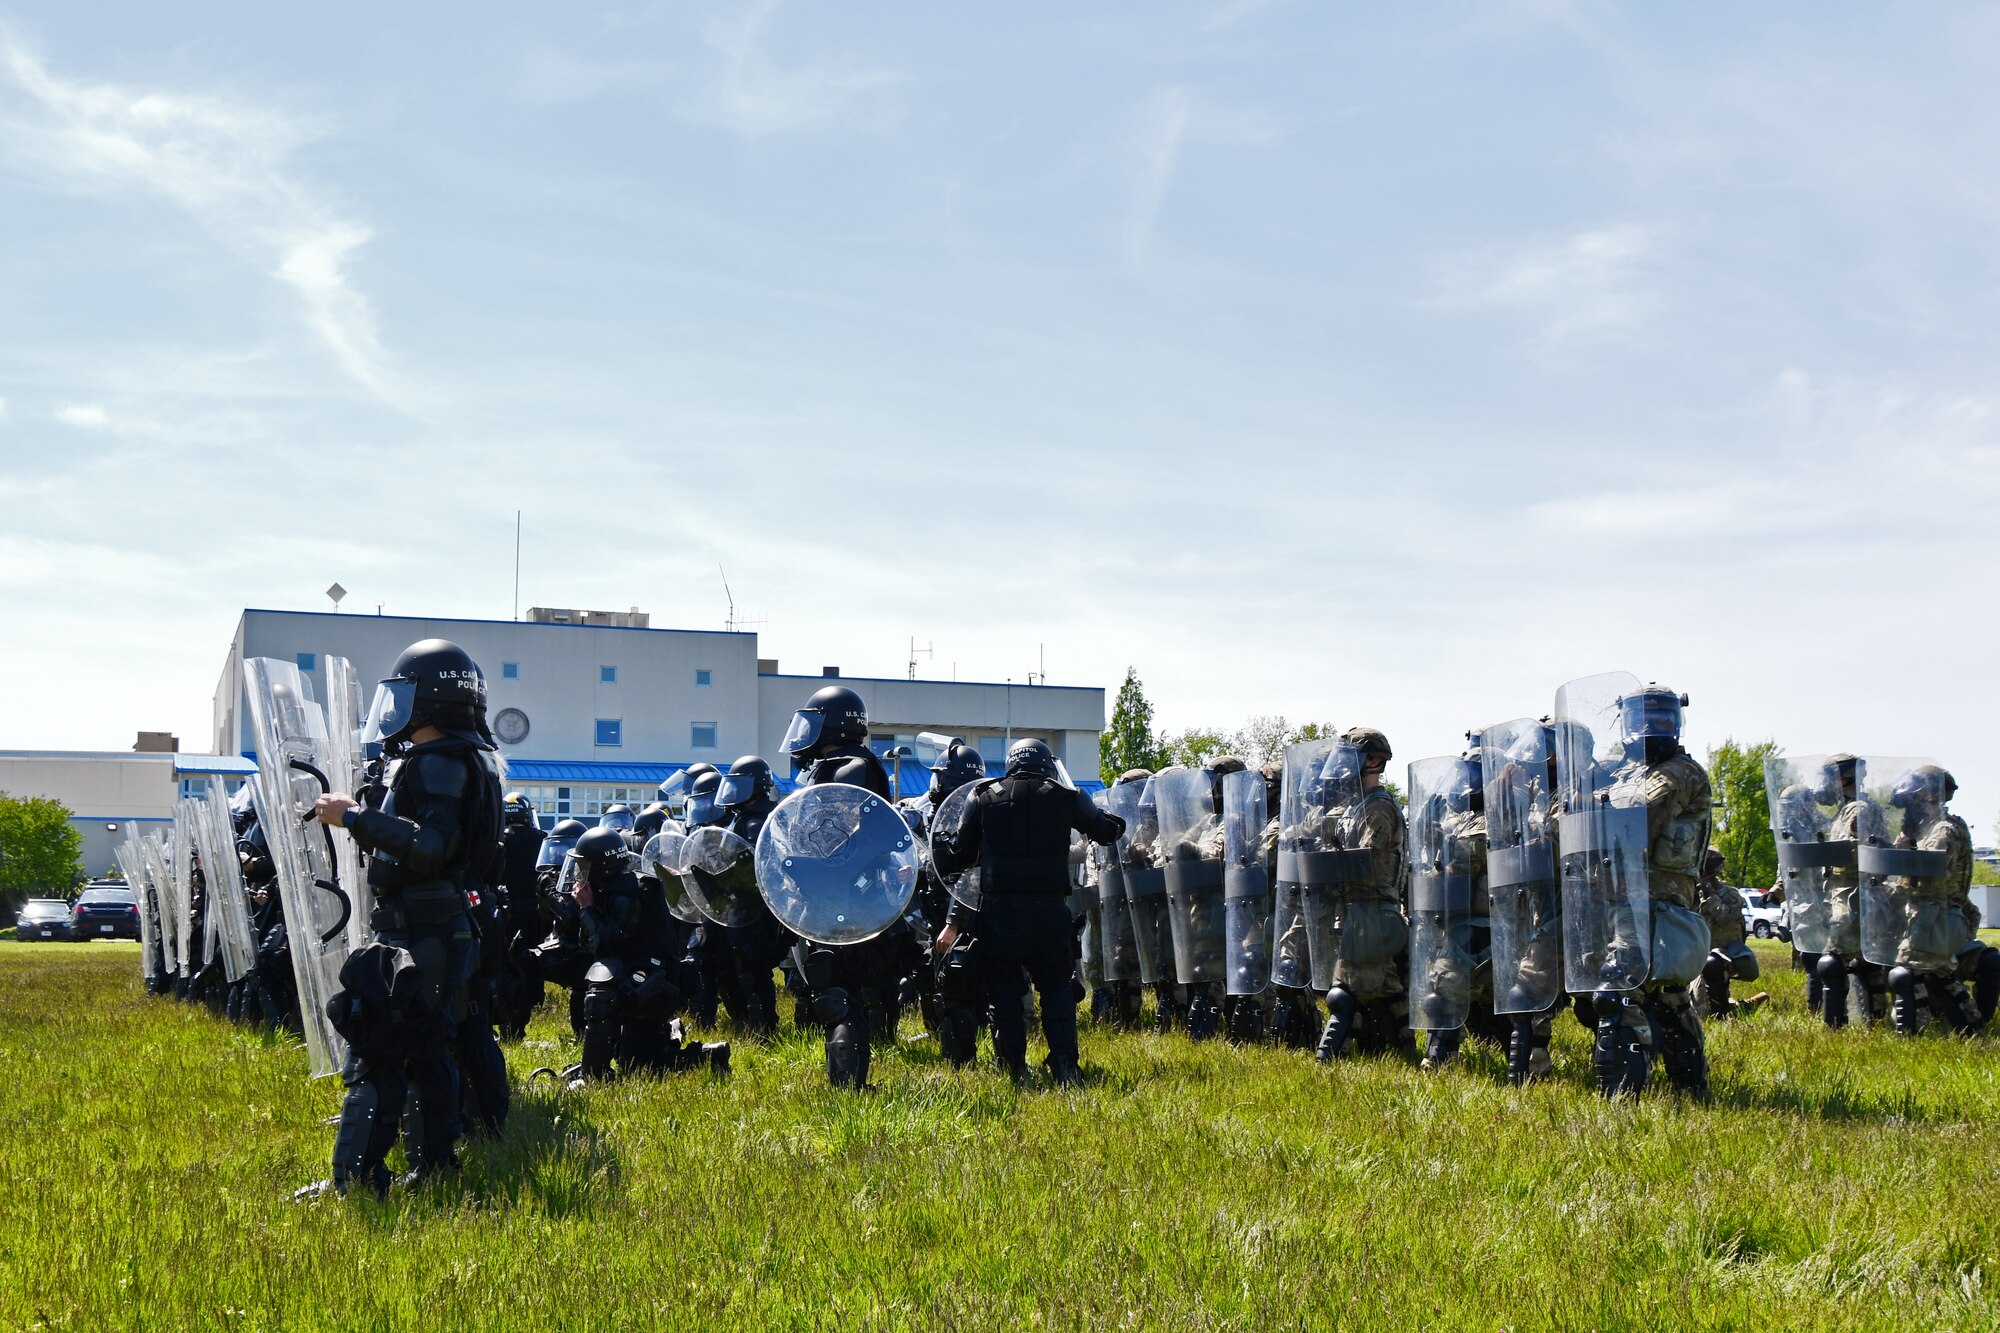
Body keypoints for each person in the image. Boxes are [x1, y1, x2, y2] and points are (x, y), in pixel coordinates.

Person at [301, 639, 504, 1198]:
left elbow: (431, 846)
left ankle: (357, 1181)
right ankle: (434, 1168)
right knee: (427, 1046)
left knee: (377, 1049)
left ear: (428, 700)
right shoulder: (460, 760)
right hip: (438, 926)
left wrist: (355, 819)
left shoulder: (438, 760)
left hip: (421, 927)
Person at [933, 738, 1126, 1085]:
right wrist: (1103, 815)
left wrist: (942, 837)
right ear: (1047, 765)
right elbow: (1108, 832)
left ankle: (1012, 1067)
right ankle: (1065, 1067)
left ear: (1011, 763)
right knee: (1056, 991)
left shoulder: (982, 796)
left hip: (999, 914)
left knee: (1005, 992)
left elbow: (957, 856)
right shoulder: (1066, 796)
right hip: (1049, 911)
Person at [1579, 684, 1713, 1100]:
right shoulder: (1621, 772)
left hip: (1659, 900)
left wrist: (1589, 796)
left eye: (1662, 718)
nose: (1651, 729)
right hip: (1618, 897)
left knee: (1619, 987)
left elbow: (1638, 820)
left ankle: (1620, 1100)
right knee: (1666, 998)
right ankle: (1690, 1089)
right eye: (1641, 719)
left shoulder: (1680, 772)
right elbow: (1560, 822)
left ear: (1677, 722)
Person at [782, 685, 916, 1087]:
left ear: (833, 725)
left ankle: (849, 1088)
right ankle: (846, 1086)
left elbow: (855, 841)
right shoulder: (832, 770)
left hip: (846, 897)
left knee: (840, 994)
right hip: (833, 895)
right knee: (834, 993)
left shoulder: (854, 769)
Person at [563, 825, 728, 1084]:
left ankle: (593, 1077)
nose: (579, 873)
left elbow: (606, 942)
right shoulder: (616, 887)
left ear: (601, 867)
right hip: (645, 981)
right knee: (639, 1064)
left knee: (601, 998)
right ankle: (707, 1054)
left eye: (584, 865)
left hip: (651, 985)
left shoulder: (625, 894)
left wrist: (586, 907)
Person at [1314, 728, 1410, 1061]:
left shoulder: (1378, 809)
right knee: (1386, 989)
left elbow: (1364, 862)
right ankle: (1403, 1048)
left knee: (1343, 994)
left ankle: (1327, 1061)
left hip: (1374, 912)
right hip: (1358, 912)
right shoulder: (1356, 808)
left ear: (1374, 761)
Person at [1878, 766, 1980, 1035]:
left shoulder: (1943, 830)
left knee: (1904, 973)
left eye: (1912, 800)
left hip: (1936, 917)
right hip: (1929, 916)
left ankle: (1913, 1033)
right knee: (1940, 974)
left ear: (1927, 797)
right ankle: (1969, 1024)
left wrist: (1903, 851)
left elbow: (1931, 872)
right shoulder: (1933, 829)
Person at [716, 755, 790, 1037]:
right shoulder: (744, 817)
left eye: (740, 786)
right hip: (746, 907)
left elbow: (756, 864)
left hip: (756, 909)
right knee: (749, 971)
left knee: (754, 971)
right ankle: (756, 1024)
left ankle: (764, 1029)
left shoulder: (758, 821)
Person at [493, 793, 547, 1039]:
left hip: (504, 913)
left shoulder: (496, 841)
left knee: (502, 965)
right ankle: (519, 1025)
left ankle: (505, 1022)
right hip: (535, 916)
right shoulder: (541, 840)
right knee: (531, 967)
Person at [1693, 849, 1768, 1019]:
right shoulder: (1690, 892)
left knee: (1704, 1013)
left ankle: (1742, 1007)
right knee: (1692, 1007)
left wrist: (1709, 894)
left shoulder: (1730, 894)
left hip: (1722, 958)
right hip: (1694, 956)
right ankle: (1732, 1005)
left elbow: (1724, 917)